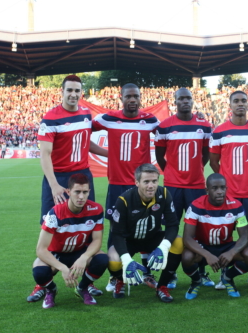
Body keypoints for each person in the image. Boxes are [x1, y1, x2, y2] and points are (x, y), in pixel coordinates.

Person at [28, 75, 107, 303]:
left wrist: (108, 154)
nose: (73, 94)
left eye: (77, 90)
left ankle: (85, 282)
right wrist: (54, 184)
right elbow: (45, 153)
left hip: (82, 176)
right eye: (69, 90)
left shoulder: (85, 114)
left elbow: (85, 142)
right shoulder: (51, 118)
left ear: (81, 92)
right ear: (61, 92)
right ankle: (43, 283)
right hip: (58, 177)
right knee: (51, 226)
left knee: (87, 222)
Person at [92, 83, 160, 290]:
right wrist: (109, 154)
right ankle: (116, 276)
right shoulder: (108, 118)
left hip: (143, 186)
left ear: (141, 98)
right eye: (128, 96)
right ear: (121, 98)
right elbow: (82, 133)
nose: (132, 99)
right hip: (117, 184)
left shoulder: (150, 120)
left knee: (148, 227)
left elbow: (169, 135)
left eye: (136, 96)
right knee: (115, 230)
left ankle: (148, 273)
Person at [155, 87, 214, 289]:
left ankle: (202, 272)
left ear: (192, 100)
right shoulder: (165, 126)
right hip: (172, 187)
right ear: (175, 102)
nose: (185, 101)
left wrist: (196, 170)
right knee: (170, 229)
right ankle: (169, 273)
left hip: (197, 186)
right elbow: (159, 157)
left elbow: (206, 155)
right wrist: (171, 173)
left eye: (188, 98)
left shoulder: (204, 126)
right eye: (181, 98)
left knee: (200, 229)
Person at [209, 90, 248, 289]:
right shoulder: (219, 131)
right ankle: (225, 274)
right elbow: (214, 162)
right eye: (236, 101)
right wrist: (227, 183)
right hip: (228, 196)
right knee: (225, 235)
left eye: (244, 100)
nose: (240, 104)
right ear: (230, 105)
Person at [106, 163, 183, 303]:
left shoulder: (164, 193)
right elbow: (116, 234)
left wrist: (164, 246)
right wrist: (126, 259)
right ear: (137, 182)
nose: (151, 186)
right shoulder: (124, 200)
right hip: (129, 241)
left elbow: (173, 225)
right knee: (113, 259)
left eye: (154, 181)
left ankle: (162, 286)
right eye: (146, 182)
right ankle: (120, 280)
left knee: (178, 242)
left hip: (153, 238)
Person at [30, 173, 109, 309]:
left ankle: (83, 288)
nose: (81, 196)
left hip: (79, 252)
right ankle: (51, 290)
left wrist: (84, 258)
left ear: (89, 192)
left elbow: (97, 241)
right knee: (39, 271)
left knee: (102, 259)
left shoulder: (96, 209)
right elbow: (40, 250)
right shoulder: (55, 213)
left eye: (85, 192)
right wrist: (62, 268)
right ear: (68, 192)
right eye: (77, 192)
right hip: (56, 254)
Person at [182, 173, 248, 299]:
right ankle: (196, 281)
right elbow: (187, 238)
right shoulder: (196, 206)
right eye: (215, 188)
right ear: (207, 190)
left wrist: (231, 252)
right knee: (187, 257)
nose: (220, 192)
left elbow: (245, 236)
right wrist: (207, 255)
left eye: (223, 188)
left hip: (226, 246)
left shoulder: (236, 206)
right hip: (203, 247)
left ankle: (228, 278)